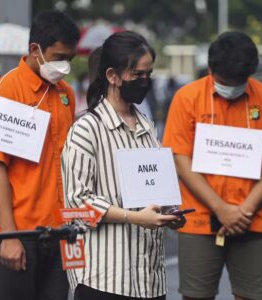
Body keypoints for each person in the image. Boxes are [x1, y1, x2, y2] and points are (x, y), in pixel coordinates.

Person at [163, 32, 262, 300]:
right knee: (196, 296)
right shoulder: (187, 98)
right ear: (211, 68)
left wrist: (244, 210)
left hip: (254, 220)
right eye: (226, 82)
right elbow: (180, 158)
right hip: (199, 222)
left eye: (240, 82)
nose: (233, 88)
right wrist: (220, 208)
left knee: (254, 296)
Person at [61, 31, 184, 300]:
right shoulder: (86, 129)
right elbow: (78, 205)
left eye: (148, 74)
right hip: (105, 279)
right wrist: (135, 217)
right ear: (112, 76)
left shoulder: (146, 127)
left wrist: (167, 211)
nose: (144, 81)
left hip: (149, 280)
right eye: (137, 74)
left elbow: (153, 189)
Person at [0, 10, 80, 300]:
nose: (64, 65)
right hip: (20, 232)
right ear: (34, 50)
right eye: (59, 57)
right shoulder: (4, 91)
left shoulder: (66, 93)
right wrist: (8, 236)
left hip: (61, 230)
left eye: (70, 59)